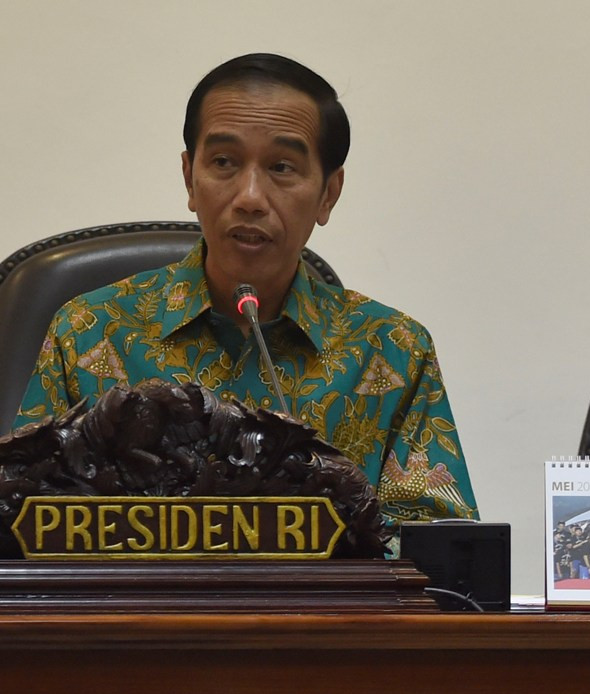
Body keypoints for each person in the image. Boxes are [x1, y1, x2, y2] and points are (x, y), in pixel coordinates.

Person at [13, 53, 477, 551]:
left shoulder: (391, 349)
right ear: (191, 177)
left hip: (325, 626)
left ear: (328, 194)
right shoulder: (87, 330)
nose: (250, 196)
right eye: (224, 163)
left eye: (281, 167)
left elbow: (439, 557)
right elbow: (21, 527)